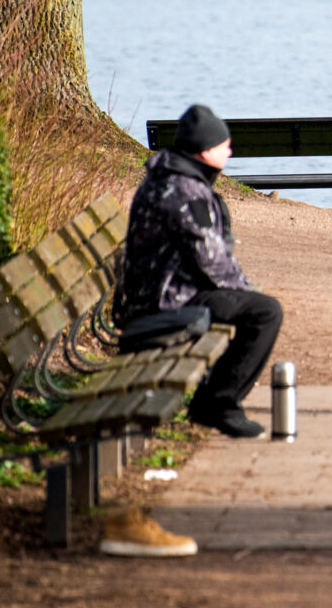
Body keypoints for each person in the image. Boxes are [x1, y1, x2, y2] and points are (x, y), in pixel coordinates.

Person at [119, 103, 284, 438]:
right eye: (225, 145)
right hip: (166, 303)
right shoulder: (185, 191)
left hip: (160, 292)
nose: (230, 150)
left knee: (251, 305)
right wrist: (246, 290)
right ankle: (218, 404)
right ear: (206, 151)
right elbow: (212, 261)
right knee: (265, 312)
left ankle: (214, 401)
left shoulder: (170, 177)